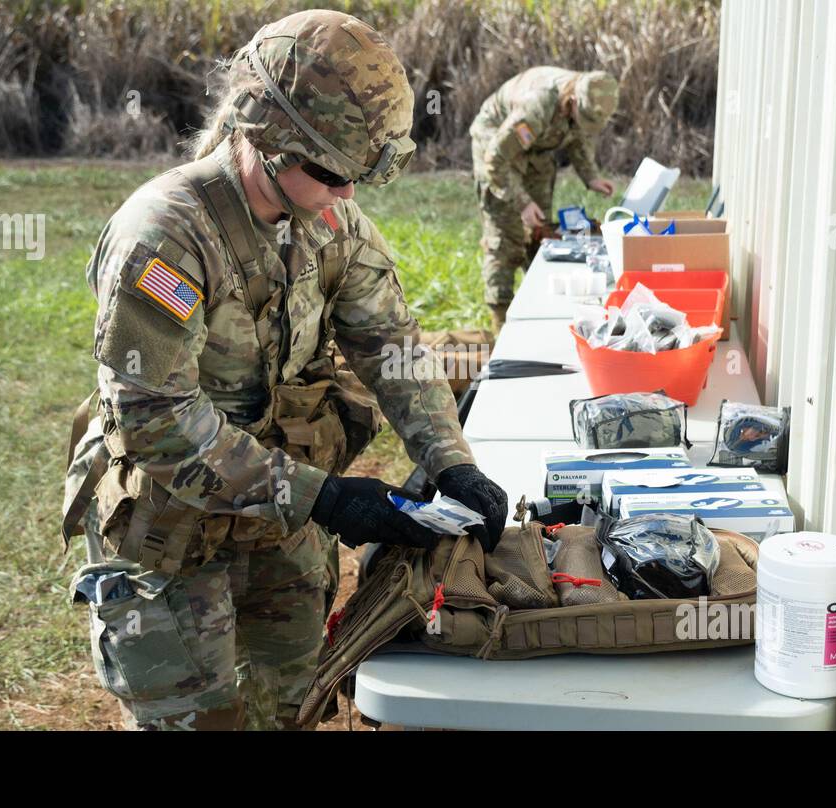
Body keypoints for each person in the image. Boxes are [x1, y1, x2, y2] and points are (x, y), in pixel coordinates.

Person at [60, 9, 508, 731]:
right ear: (272, 142)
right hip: (173, 539)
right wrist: (323, 496)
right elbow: (156, 421)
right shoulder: (165, 240)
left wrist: (451, 461)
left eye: (362, 174)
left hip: (280, 536)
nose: (351, 193)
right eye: (335, 171)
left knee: (289, 710)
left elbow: (389, 343)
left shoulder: (331, 220)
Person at [470, 67, 620, 330]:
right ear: (572, 101)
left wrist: (591, 177)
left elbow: (577, 137)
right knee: (506, 238)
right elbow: (495, 159)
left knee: (540, 232)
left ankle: (536, 308)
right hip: (498, 150)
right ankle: (502, 322)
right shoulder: (536, 105)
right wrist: (522, 202)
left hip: (537, 153)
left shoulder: (589, 99)